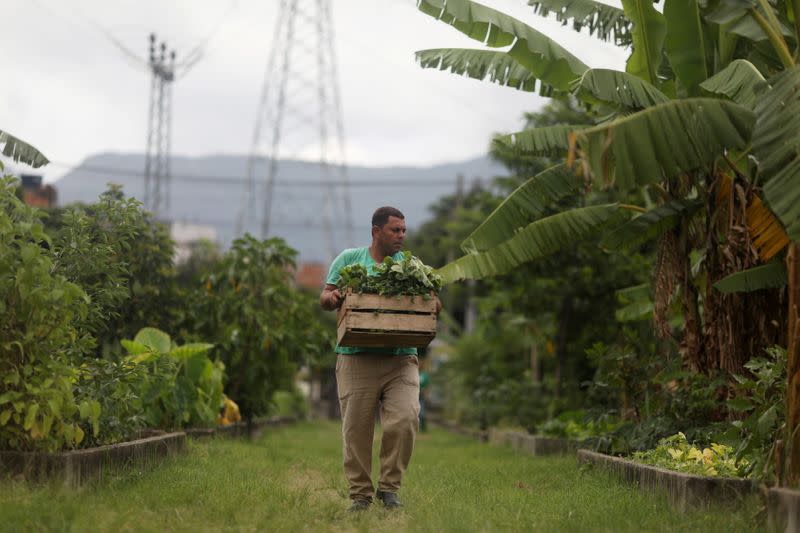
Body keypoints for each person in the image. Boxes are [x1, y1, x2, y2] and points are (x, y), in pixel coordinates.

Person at [319, 206, 441, 512]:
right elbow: (325, 295)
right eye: (395, 230)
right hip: (356, 357)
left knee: (405, 418)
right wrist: (332, 298)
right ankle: (360, 494)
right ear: (376, 232)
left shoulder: (413, 266)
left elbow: (433, 300)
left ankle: (389, 488)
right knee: (356, 430)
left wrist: (433, 303)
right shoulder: (349, 260)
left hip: (400, 358)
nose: (401, 236)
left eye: (404, 230)